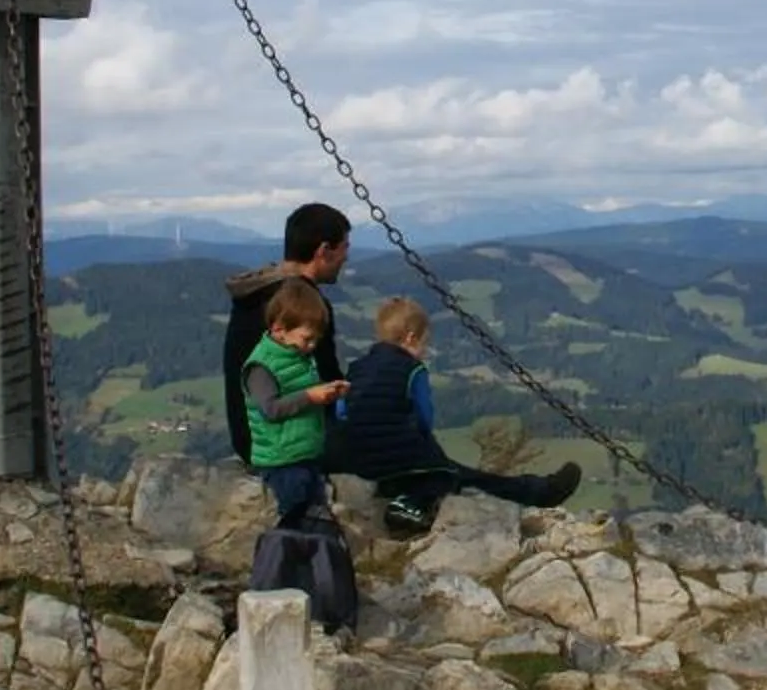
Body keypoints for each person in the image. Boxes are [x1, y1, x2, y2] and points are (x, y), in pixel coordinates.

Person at [332, 295, 584, 535]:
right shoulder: (412, 370)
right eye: (424, 343)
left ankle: (402, 495)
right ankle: (540, 492)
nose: (425, 351)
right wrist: (425, 451)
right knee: (455, 476)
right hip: (399, 456)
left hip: (353, 458)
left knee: (421, 474)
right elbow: (424, 417)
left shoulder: (357, 368)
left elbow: (342, 411)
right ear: (410, 338)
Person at [223, 202, 351, 465]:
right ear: (323, 251)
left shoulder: (256, 293)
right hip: (283, 443)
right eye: (344, 248)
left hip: (248, 436)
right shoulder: (304, 306)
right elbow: (327, 379)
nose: (346, 258)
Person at [241, 278, 350, 525]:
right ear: (280, 329)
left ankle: (315, 553)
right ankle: (288, 554)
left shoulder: (296, 357)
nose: (311, 346)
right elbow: (271, 409)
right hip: (281, 460)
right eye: (306, 338)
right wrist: (311, 396)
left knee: (317, 512)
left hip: (305, 453)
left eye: (315, 340)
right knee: (295, 514)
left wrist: (328, 394)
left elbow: (301, 394)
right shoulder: (261, 366)